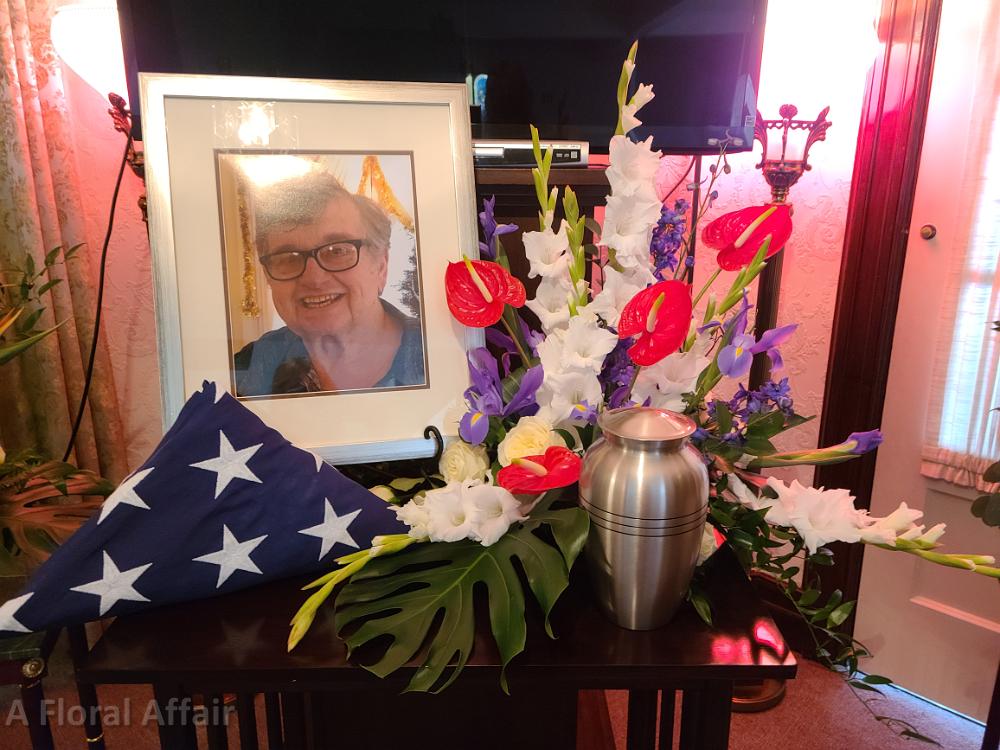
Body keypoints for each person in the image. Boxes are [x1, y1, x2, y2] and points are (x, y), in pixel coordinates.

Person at [233, 171, 425, 397]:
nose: (314, 278)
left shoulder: (443, 359)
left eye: (337, 251)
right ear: (268, 276)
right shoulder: (245, 372)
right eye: (288, 257)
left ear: (380, 266)